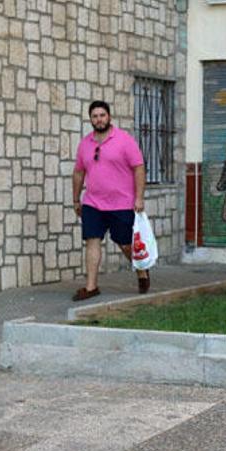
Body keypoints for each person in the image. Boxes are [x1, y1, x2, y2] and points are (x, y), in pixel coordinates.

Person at [71, 100, 150, 301]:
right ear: (90, 119)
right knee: (92, 240)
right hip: (93, 203)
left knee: (125, 243)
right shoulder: (85, 144)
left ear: (109, 117)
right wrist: (76, 199)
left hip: (122, 203)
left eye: (102, 115)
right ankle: (91, 287)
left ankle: (141, 270)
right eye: (95, 116)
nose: (98, 119)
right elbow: (79, 173)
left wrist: (139, 197)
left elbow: (139, 167)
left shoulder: (124, 140)